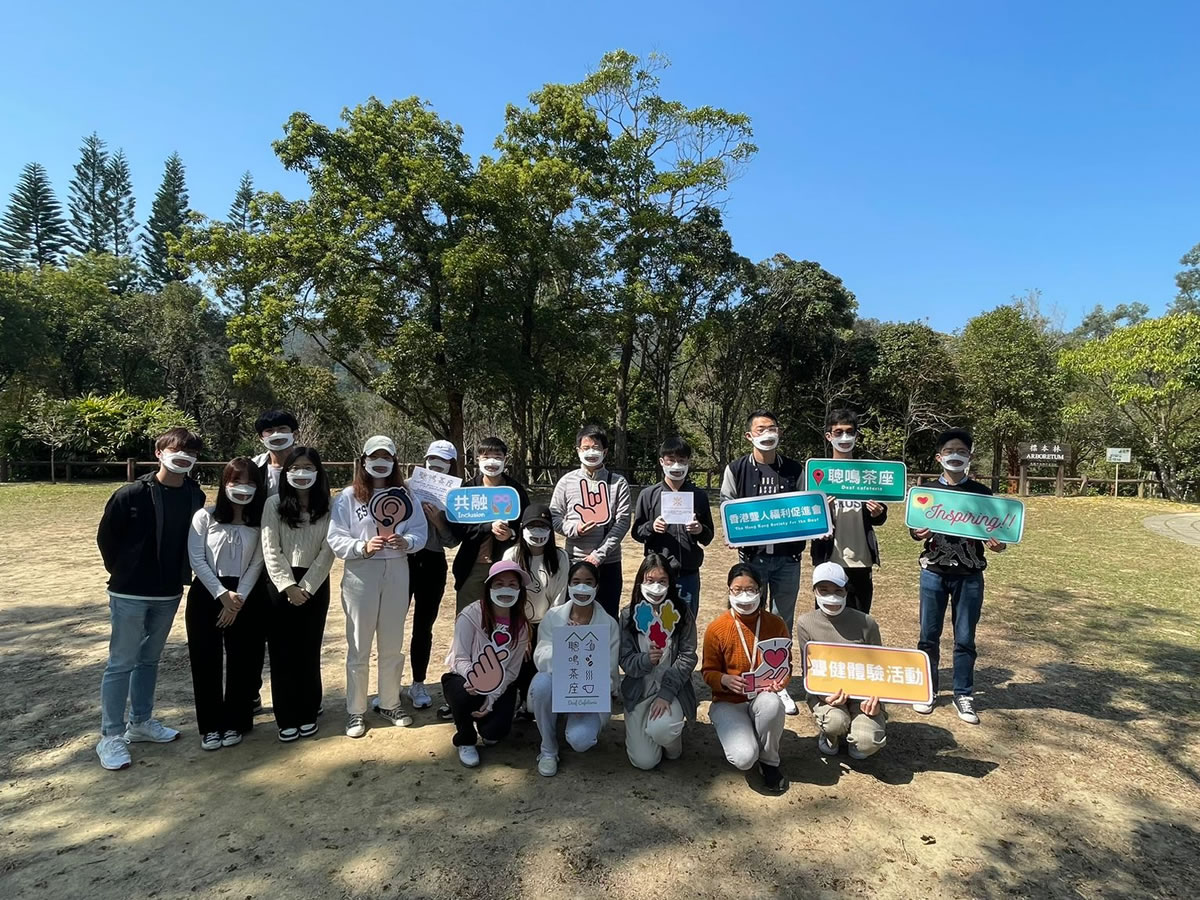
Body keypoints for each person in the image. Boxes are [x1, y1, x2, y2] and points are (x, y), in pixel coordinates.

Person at [95, 427, 206, 770]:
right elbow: (107, 540)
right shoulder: (131, 494)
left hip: (168, 591)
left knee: (149, 660)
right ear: (159, 452)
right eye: (176, 449)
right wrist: (126, 571)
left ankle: (140, 723)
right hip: (129, 591)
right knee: (121, 662)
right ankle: (110, 736)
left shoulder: (195, 496)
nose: (183, 456)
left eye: (190, 452)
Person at [328, 435, 428, 738]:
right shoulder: (349, 496)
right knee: (359, 644)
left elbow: (420, 532)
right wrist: (361, 546)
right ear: (364, 460)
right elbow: (336, 537)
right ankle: (355, 711)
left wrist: (406, 541)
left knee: (392, 641)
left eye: (387, 457)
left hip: (397, 568)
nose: (380, 462)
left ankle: (389, 701)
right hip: (362, 572)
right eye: (375, 456)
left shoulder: (406, 495)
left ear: (394, 462)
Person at [910, 428, 1006, 725]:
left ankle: (963, 694)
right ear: (939, 457)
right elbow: (915, 530)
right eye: (950, 451)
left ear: (970, 457)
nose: (956, 456)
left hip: (970, 574)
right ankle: (928, 689)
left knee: (965, 638)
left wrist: (998, 544)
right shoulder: (926, 492)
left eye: (962, 452)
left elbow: (998, 536)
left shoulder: (982, 494)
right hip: (934, 573)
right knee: (928, 636)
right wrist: (918, 532)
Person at [719, 409, 805, 714]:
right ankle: (745, 678)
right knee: (747, 619)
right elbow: (726, 504)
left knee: (781, 622)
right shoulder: (737, 468)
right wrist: (732, 531)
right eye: (760, 428)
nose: (767, 433)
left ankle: (777, 684)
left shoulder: (795, 470)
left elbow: (807, 507)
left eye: (772, 427)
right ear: (749, 435)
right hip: (752, 561)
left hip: (788, 559)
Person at [185, 458, 267, 750]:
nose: (242, 489)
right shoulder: (204, 517)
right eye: (236, 482)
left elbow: (257, 563)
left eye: (250, 483)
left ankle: (237, 721)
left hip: (246, 597)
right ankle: (210, 726)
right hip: (207, 593)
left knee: (243, 660)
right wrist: (222, 594)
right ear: (224, 483)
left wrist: (237, 600)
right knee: (205, 660)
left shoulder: (259, 523)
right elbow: (197, 559)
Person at [260, 446, 334, 742]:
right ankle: (286, 716)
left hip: (315, 584)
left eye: (307, 467)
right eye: (295, 468)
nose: (301, 474)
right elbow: (270, 547)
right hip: (279, 586)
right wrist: (288, 586)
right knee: (281, 652)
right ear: (286, 472)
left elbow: (329, 550)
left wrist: (307, 587)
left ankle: (308, 710)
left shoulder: (330, 506)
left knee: (308, 649)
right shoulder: (273, 504)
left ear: (318, 472)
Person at [701, 563, 790, 793]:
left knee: (772, 704)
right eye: (737, 590)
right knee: (743, 758)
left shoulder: (776, 624)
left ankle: (770, 761)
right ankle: (749, 741)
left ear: (760, 590)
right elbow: (707, 672)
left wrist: (781, 681)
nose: (744, 596)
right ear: (728, 591)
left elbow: (785, 666)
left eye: (750, 589)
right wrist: (724, 680)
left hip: (762, 697)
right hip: (728, 702)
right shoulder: (717, 628)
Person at [527, 560, 620, 776]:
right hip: (559, 685)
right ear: (568, 585)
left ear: (597, 586)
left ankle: (572, 723)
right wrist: (567, 646)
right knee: (541, 685)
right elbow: (540, 657)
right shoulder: (554, 617)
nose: (582, 587)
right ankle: (548, 748)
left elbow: (610, 674)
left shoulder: (608, 624)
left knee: (581, 740)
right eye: (576, 581)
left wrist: (587, 699)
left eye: (588, 582)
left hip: (590, 694)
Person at [441, 560, 532, 767]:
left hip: (500, 685)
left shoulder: (521, 627)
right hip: (466, 679)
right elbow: (460, 657)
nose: (506, 589)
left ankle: (485, 722)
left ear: (520, 590)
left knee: (494, 734)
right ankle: (466, 739)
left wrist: (491, 696)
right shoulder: (471, 614)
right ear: (489, 587)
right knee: (463, 696)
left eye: (512, 584)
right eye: (498, 584)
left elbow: (512, 671)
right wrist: (476, 679)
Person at [794, 562, 886, 759]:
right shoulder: (805, 623)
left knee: (865, 744)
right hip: (827, 691)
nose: (832, 597)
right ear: (814, 591)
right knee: (835, 721)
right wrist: (821, 696)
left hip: (863, 692)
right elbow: (808, 669)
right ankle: (830, 734)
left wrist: (877, 699)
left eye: (838, 590)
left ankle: (858, 732)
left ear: (846, 591)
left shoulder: (866, 623)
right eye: (824, 590)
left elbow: (881, 668)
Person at [619, 553, 698, 772]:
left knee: (662, 730)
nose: (656, 587)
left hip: (670, 691)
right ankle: (648, 732)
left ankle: (672, 744)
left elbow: (688, 655)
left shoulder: (681, 613)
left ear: (670, 583)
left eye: (662, 581)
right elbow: (624, 660)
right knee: (644, 762)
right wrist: (645, 659)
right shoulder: (628, 616)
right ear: (640, 582)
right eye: (650, 581)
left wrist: (666, 693)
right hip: (640, 692)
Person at [809, 409, 888, 614]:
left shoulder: (869, 473)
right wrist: (821, 511)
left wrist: (877, 512)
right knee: (827, 621)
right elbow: (808, 518)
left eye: (849, 431)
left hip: (861, 561)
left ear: (856, 436)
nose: (844, 437)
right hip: (829, 558)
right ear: (829, 436)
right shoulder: (817, 472)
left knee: (860, 621)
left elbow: (880, 515)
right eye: (838, 432)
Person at [550, 424, 632, 619]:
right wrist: (574, 529)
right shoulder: (567, 481)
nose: (591, 453)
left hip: (608, 563)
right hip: (574, 560)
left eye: (596, 448)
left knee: (607, 615)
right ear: (578, 450)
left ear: (605, 451)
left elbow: (622, 523)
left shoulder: (617, 482)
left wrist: (599, 555)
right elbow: (554, 516)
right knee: (574, 616)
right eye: (586, 448)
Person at [406, 440, 461, 712]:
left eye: (443, 462)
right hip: (400, 560)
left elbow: (452, 541)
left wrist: (439, 520)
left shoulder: (455, 496)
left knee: (423, 625)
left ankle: (418, 682)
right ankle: (388, 685)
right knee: (390, 624)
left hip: (432, 561)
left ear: (452, 466)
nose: (435, 466)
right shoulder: (405, 485)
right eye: (431, 459)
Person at [632, 435, 715, 618]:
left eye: (681, 460)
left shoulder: (698, 496)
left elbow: (708, 537)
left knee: (686, 621)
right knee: (654, 623)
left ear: (688, 462)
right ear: (662, 462)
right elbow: (637, 533)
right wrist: (652, 527)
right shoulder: (648, 495)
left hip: (688, 573)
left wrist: (699, 529)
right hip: (657, 575)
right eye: (671, 460)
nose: (676, 466)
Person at [503, 503, 569, 718]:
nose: (537, 532)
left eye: (543, 526)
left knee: (543, 661)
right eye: (532, 526)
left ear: (551, 530)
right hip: (517, 622)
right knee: (519, 657)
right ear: (522, 529)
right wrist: (523, 631)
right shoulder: (511, 555)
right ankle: (517, 698)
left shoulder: (560, 558)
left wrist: (545, 634)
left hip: (548, 623)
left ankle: (539, 701)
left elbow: (559, 600)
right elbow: (507, 598)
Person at [449, 436, 528, 614]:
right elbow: (458, 530)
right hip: (472, 565)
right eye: (486, 456)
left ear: (505, 459)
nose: (492, 461)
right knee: (468, 616)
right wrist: (487, 527)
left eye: (497, 456)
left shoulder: (515, 491)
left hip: (506, 563)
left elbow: (526, 525)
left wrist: (512, 534)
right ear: (477, 459)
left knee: (503, 616)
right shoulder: (467, 491)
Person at [251, 409, 299, 497]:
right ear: (261, 438)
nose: (276, 434)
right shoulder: (253, 466)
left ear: (295, 434)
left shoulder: (310, 464)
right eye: (269, 430)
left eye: (282, 428)